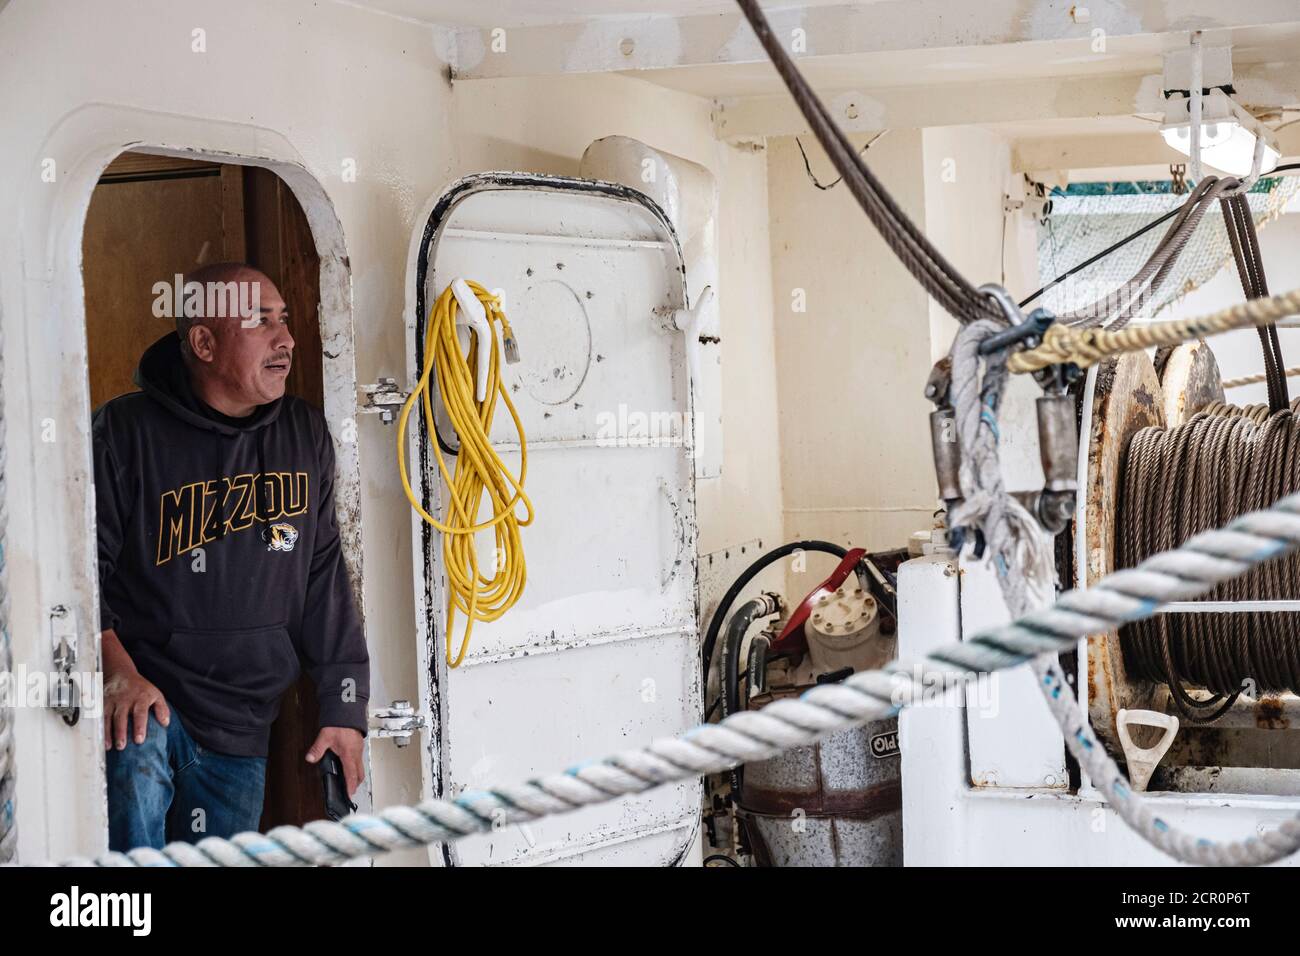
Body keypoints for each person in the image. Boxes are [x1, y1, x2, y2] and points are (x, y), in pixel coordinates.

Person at [93, 262, 370, 852]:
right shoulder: (123, 433)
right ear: (203, 341)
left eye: (285, 321)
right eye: (262, 321)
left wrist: (345, 707)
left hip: (243, 725)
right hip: (150, 706)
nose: (286, 339)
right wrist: (117, 673)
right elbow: (79, 576)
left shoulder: (303, 434)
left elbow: (322, 575)